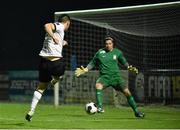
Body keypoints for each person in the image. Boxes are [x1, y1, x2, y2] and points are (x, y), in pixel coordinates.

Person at [75, 36, 145, 118]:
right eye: (106, 44)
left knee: (127, 93)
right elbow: (92, 63)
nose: (108, 45)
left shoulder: (117, 52)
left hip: (116, 78)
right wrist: (86, 69)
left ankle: (137, 112)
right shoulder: (100, 52)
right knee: (98, 85)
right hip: (105, 77)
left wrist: (129, 67)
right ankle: (100, 107)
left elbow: (124, 62)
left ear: (113, 44)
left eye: (109, 43)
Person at [25, 14, 71, 121]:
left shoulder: (58, 31)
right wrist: (54, 36)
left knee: (41, 88)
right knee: (62, 71)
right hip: (55, 63)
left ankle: (31, 110)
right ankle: (56, 79)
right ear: (68, 23)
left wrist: (61, 42)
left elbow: (53, 40)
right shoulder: (60, 25)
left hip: (44, 62)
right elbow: (47, 26)